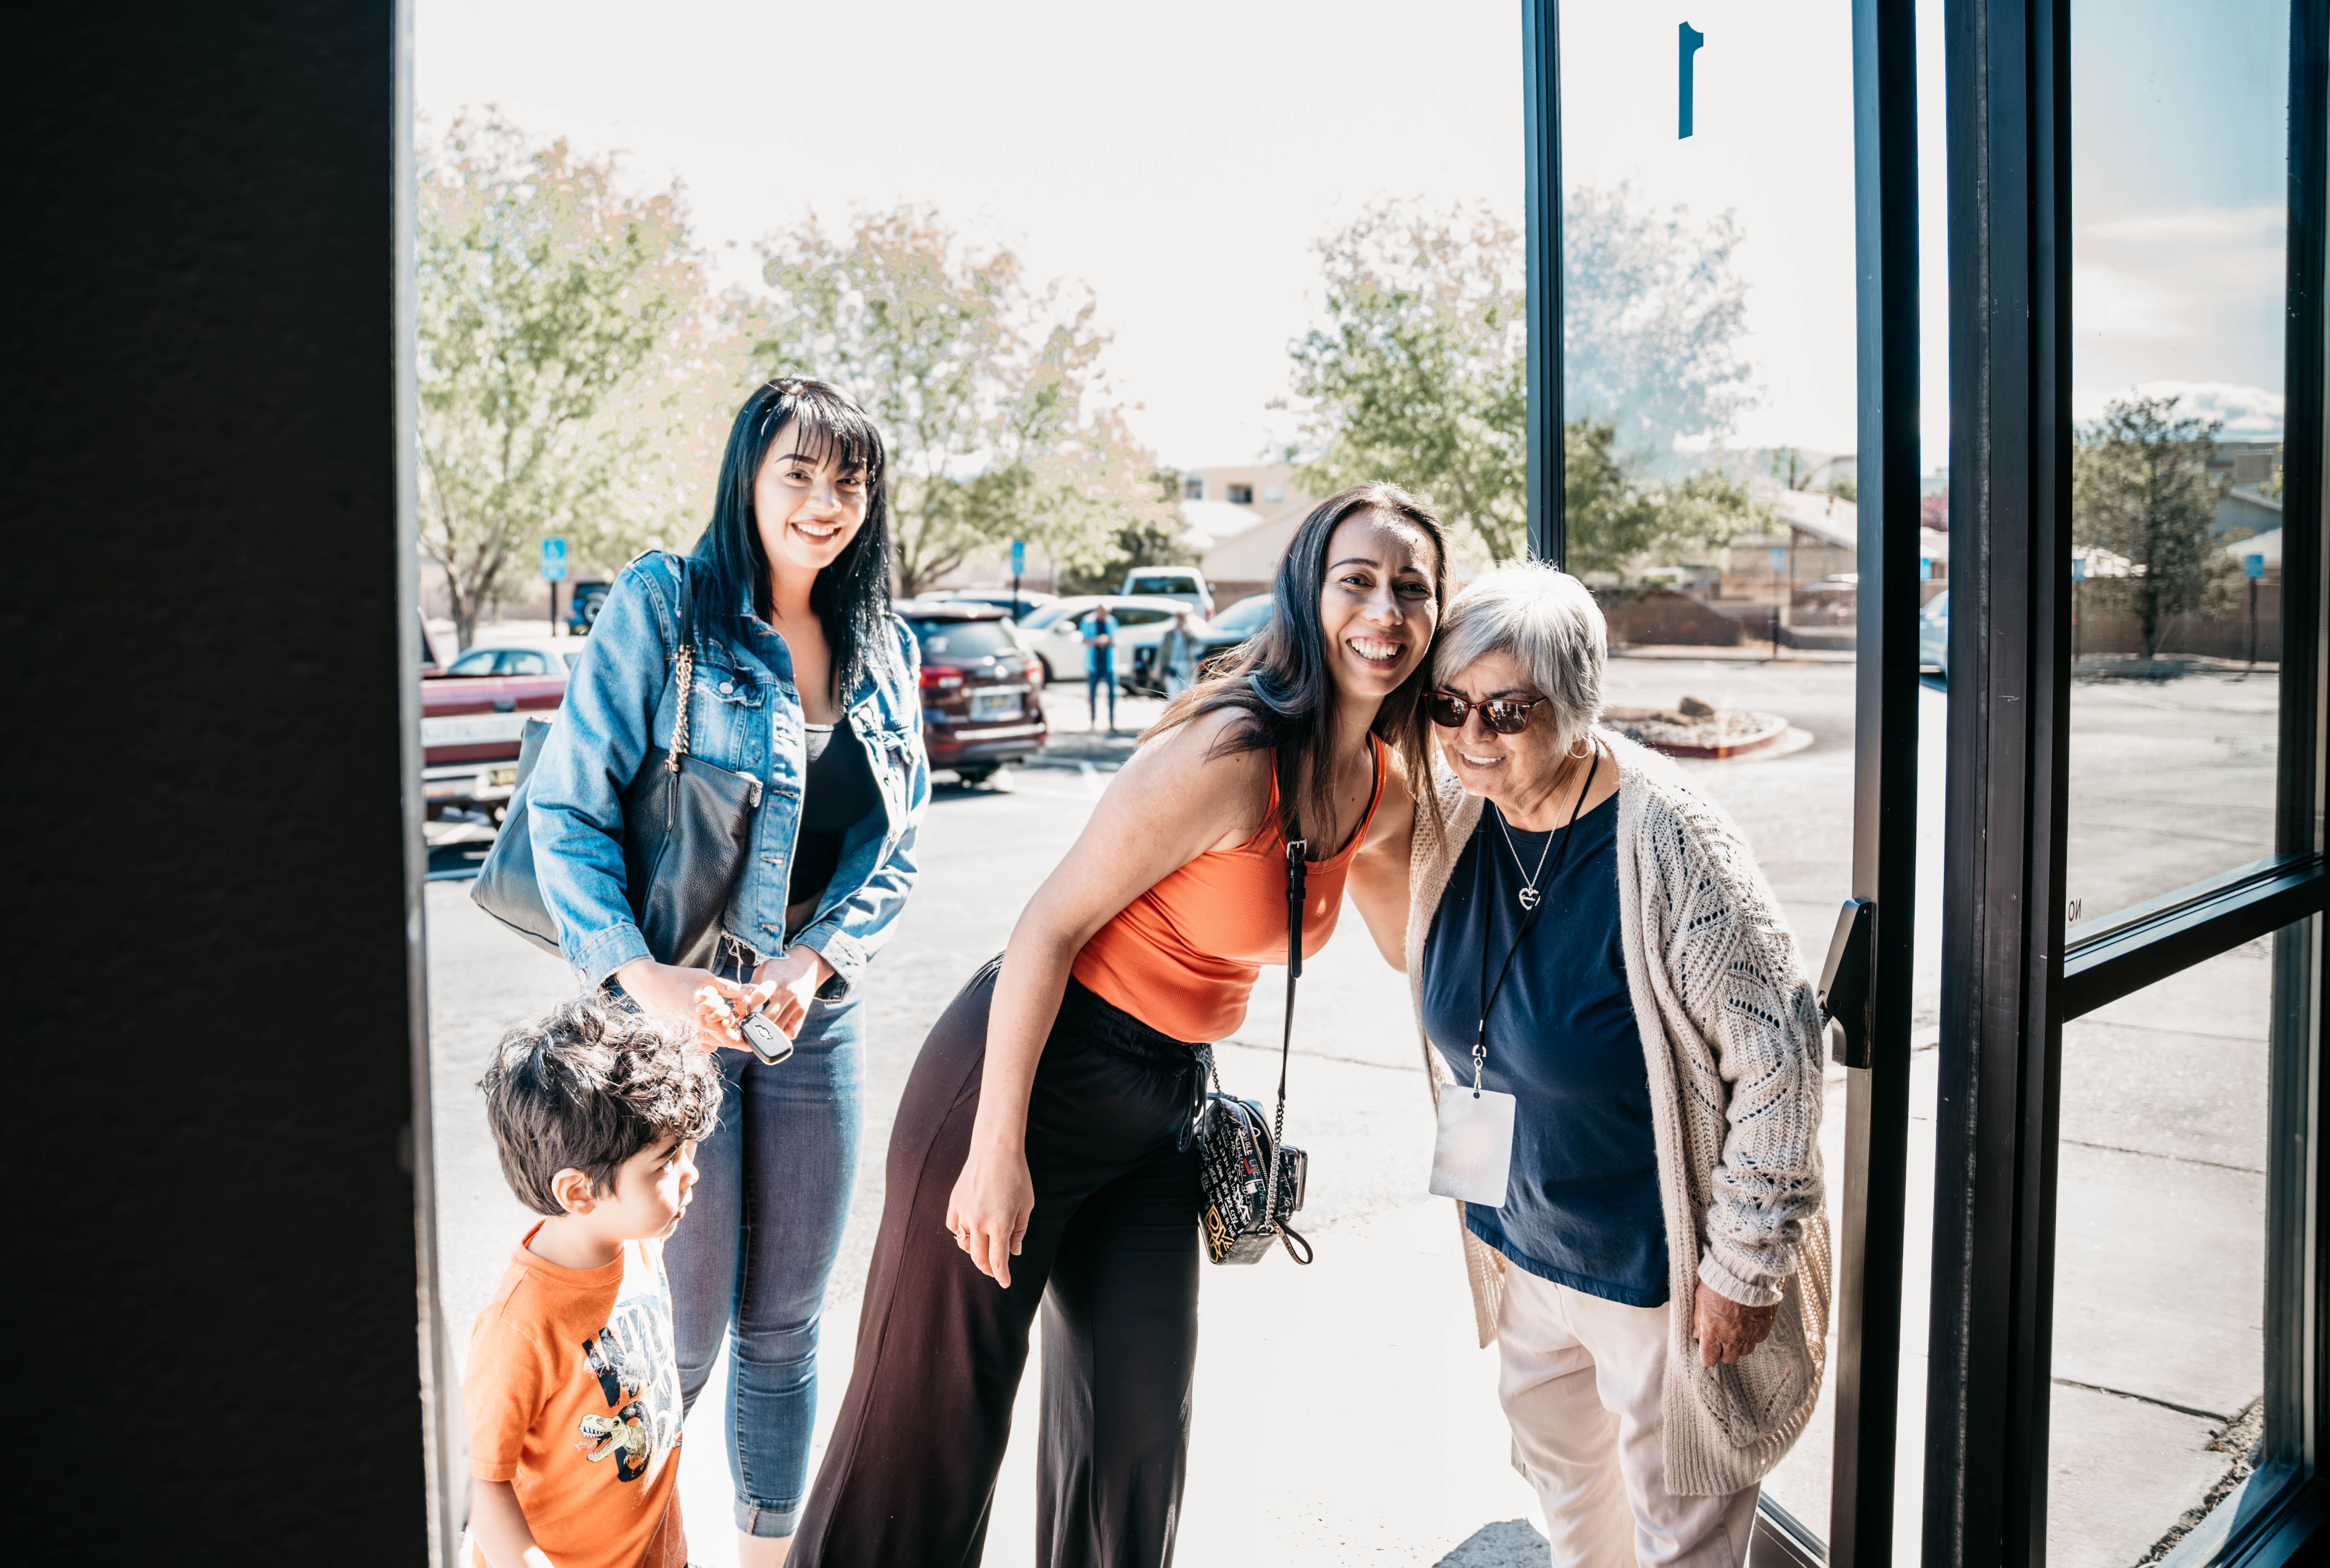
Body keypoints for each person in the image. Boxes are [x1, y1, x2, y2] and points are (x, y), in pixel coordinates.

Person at [790, 483, 1450, 1566]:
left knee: (1132, 1448)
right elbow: (1047, 928)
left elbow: (1415, 953)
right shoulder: (1231, 753)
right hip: (1026, 1074)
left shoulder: (1380, 780)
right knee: (925, 1452)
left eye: (1412, 589)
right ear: (1306, 595)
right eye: (1358, 581)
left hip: (1161, 1105)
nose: (1385, 610)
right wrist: (996, 1151)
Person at [525, 377, 929, 1564]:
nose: (823, 501)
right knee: (682, 1331)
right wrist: (641, 982)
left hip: (808, 1017)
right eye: (796, 473)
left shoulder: (881, 641)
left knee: (788, 1329)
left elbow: (893, 847)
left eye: (847, 481)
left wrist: (813, 959)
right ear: (747, 477)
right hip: (667, 1023)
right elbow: (567, 816)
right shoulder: (669, 605)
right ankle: (600, 1541)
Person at [1395, 563, 1828, 1566]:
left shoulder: (1670, 840)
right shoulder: (1462, 815)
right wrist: (1480, 1218)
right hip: (1524, 1243)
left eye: (1509, 708)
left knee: (1682, 1530)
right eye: (1448, 705)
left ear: (1577, 703)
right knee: (1569, 1503)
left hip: (1657, 1272)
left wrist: (1745, 1267)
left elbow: (1780, 1056)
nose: (1472, 734)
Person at [464, 998, 724, 1568]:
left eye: (686, 1154)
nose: (691, 1173)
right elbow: (479, 1482)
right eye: (666, 1165)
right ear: (578, 1193)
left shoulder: (636, 1240)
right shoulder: (521, 1326)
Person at [1081, 600, 1120, 730]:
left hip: (1109, 664)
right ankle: (1092, 720)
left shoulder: (1112, 622)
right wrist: (1097, 641)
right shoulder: (1088, 621)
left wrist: (1108, 640)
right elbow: (1084, 640)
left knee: (1112, 695)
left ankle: (1112, 722)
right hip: (1094, 664)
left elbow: (1116, 639)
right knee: (1092, 694)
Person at [1157, 606, 1200, 698]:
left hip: (1187, 665)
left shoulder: (1188, 634)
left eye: (1182, 619)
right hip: (1172, 665)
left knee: (1187, 693)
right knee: (1174, 694)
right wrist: (1159, 668)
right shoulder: (1169, 634)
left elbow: (1199, 645)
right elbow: (1162, 652)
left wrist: (1187, 629)